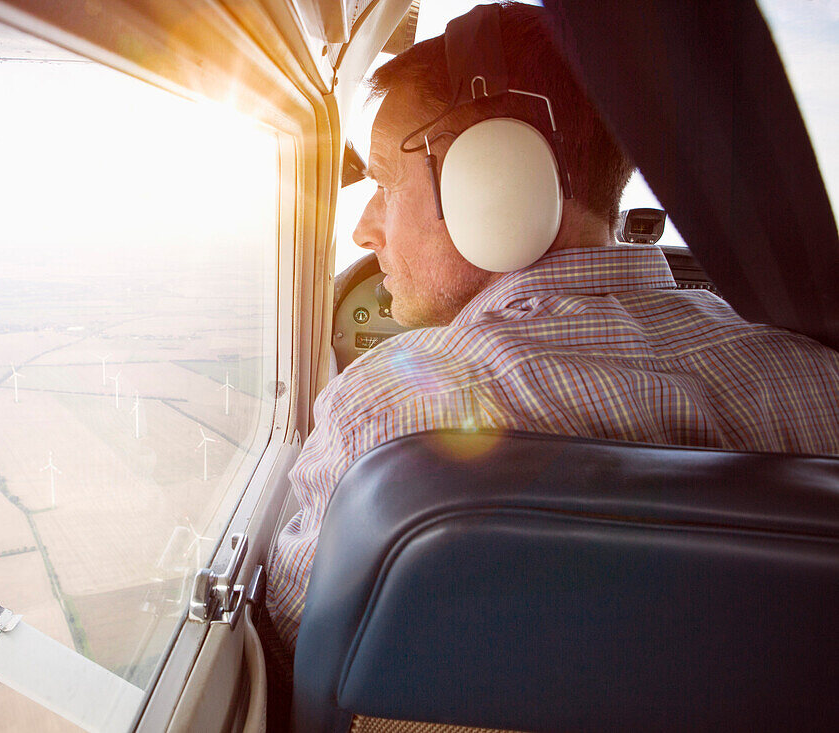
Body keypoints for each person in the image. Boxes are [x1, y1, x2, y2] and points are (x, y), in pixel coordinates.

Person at [264, 0, 839, 675]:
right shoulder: (817, 378)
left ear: (496, 174)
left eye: (388, 181)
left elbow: (298, 631)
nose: (365, 229)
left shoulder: (378, 416)